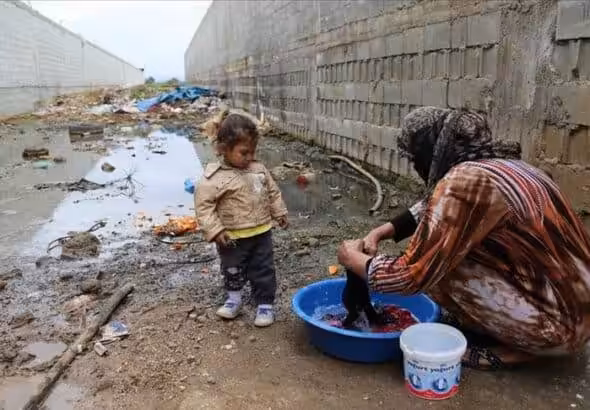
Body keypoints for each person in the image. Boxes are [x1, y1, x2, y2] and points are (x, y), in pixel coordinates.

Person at [337, 106, 590, 370]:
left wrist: (352, 260)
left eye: (415, 158)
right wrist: (383, 231)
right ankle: (511, 327)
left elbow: (411, 276)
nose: (416, 166)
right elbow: (430, 208)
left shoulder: (466, 180)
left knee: (437, 267)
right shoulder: (503, 168)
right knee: (441, 247)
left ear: (433, 151)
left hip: (559, 331)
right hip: (576, 313)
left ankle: (518, 350)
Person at [195, 112, 288, 327]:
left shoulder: (258, 170)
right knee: (232, 268)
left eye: (253, 152)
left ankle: (265, 304)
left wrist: (279, 212)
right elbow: (204, 207)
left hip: (261, 232)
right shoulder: (214, 178)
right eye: (244, 153)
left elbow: (272, 192)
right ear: (223, 149)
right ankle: (233, 299)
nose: (249, 158)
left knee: (263, 268)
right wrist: (216, 231)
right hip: (232, 236)